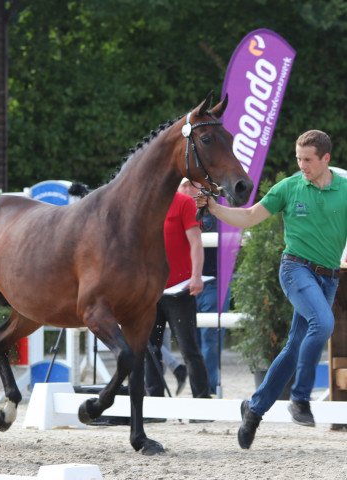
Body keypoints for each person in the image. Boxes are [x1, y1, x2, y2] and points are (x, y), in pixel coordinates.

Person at [196, 130, 347, 449]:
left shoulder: (345, 189)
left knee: (294, 348)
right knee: (324, 324)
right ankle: (300, 398)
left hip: (329, 277)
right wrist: (214, 208)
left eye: (308, 160)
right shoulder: (290, 188)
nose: (302, 165)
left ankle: (254, 409)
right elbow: (250, 216)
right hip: (295, 269)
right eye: (298, 159)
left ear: (326, 159)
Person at [145, 189, 211, 402]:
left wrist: (196, 275)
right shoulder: (147, 204)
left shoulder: (183, 203)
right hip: (151, 290)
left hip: (179, 289)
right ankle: (154, 402)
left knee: (188, 347)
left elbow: (196, 243)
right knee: (150, 348)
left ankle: (201, 402)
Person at [179, 177, 229, 396]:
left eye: (192, 184)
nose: (188, 188)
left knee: (209, 337)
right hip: (183, 284)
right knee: (189, 340)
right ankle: (199, 391)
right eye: (184, 185)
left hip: (213, 282)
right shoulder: (174, 211)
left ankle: (206, 390)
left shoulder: (214, 212)